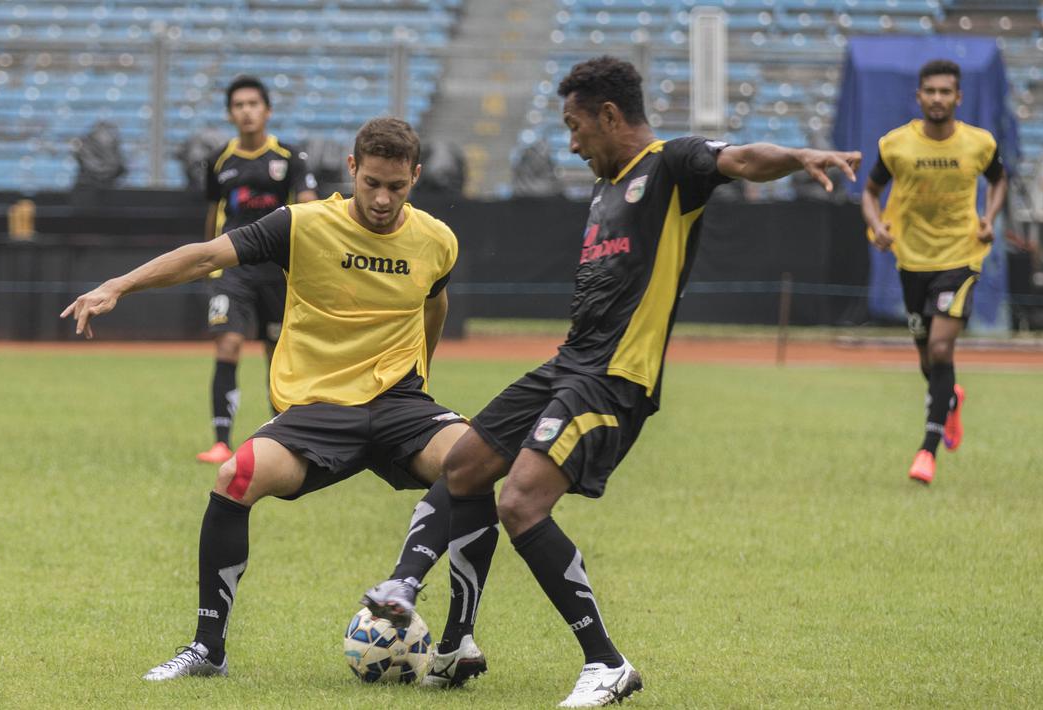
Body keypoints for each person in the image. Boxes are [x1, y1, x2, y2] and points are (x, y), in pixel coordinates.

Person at [363, 56, 861, 708]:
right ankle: (453, 639)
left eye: (574, 127)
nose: (570, 144)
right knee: (462, 466)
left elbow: (741, 159)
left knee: (519, 504)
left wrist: (796, 156)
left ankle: (606, 664)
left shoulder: (670, 166)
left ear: (607, 115)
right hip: (569, 363)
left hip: (614, 380)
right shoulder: (603, 188)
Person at [61, 117, 470, 682]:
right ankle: (209, 649)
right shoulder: (301, 225)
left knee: (476, 459)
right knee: (235, 475)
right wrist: (117, 286)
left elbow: (434, 302)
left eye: (396, 187)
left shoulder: (437, 239)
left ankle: (447, 635)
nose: (381, 198)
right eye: (371, 182)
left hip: (399, 400)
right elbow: (206, 255)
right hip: (318, 406)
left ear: (416, 177)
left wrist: (419, 372)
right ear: (351, 169)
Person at [861, 59, 1007, 485]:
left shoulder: (979, 144)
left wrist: (990, 217)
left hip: (960, 257)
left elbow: (999, 181)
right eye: (931, 91)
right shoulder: (896, 145)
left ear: (958, 97)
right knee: (928, 357)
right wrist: (876, 223)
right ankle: (950, 400)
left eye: (946, 92)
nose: (938, 98)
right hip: (912, 260)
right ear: (919, 96)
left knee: (942, 350)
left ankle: (927, 451)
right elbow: (870, 191)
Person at [196, 75, 319, 465]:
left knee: (277, 354)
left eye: (253, 104)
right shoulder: (219, 160)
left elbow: (309, 210)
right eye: (239, 105)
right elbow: (214, 214)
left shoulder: (289, 157)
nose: (246, 111)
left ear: (267, 110)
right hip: (232, 269)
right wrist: (208, 261)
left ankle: (282, 437)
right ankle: (220, 441)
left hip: (279, 273)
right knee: (228, 343)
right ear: (230, 113)